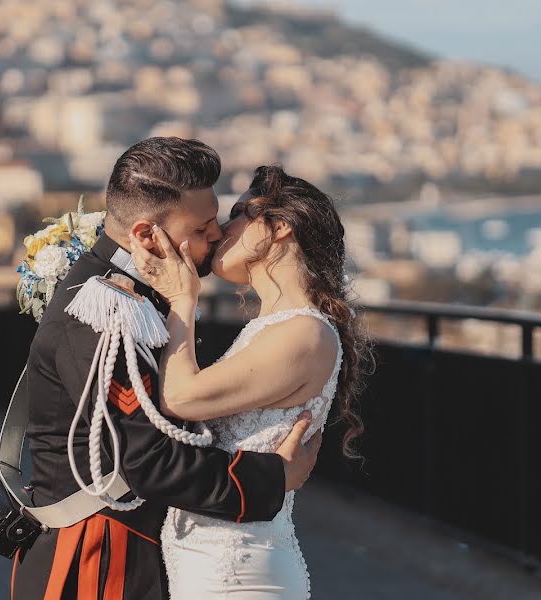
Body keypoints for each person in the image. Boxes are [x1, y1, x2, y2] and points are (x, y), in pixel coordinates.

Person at [10, 139, 322, 600]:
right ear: (145, 235)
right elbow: (146, 461)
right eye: (201, 227)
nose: (217, 235)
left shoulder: (130, 294)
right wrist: (273, 478)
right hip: (99, 561)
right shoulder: (106, 309)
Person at [128, 165, 367, 599]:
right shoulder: (273, 326)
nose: (220, 231)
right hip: (216, 565)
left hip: (239, 574)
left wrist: (184, 299)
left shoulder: (304, 333)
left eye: (239, 214)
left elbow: (180, 396)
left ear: (279, 228)